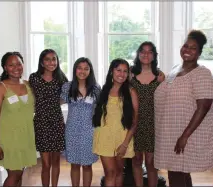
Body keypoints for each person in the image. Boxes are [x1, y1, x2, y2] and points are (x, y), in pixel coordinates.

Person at [154, 30, 213, 187]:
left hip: (186, 133)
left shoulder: (202, 74)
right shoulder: (174, 70)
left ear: (199, 52)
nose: (187, 50)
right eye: (186, 46)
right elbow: (169, 94)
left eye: (193, 48)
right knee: (178, 171)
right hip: (170, 132)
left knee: (177, 173)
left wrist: (185, 136)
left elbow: (204, 107)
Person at [0, 52, 37, 186]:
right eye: (11, 65)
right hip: (9, 139)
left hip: (26, 137)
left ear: (23, 65)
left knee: (19, 174)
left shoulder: (28, 85)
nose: (16, 67)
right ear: (5, 67)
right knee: (14, 175)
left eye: (19, 64)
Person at [92, 58, 139, 187]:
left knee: (119, 171)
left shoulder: (131, 92)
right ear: (112, 71)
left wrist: (125, 144)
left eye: (125, 71)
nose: (121, 74)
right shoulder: (104, 90)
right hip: (104, 137)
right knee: (110, 172)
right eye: (118, 70)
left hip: (122, 138)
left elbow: (135, 121)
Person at [29, 49, 68, 187]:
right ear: (42, 62)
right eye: (47, 59)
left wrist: (53, 103)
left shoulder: (61, 79)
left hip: (56, 121)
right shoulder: (34, 78)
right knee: (45, 163)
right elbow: (31, 97)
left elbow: (66, 97)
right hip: (41, 122)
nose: (51, 62)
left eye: (54, 59)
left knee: (56, 161)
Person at [129, 41, 165, 187]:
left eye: (149, 51)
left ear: (154, 55)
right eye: (142, 51)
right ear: (138, 54)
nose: (145, 54)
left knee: (151, 163)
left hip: (153, 125)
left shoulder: (160, 76)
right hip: (134, 123)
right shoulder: (130, 74)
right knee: (136, 160)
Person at [60, 57, 101, 187]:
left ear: (90, 71)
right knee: (75, 165)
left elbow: (101, 108)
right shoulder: (67, 86)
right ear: (75, 69)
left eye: (86, 68)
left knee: (87, 165)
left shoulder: (95, 88)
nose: (82, 71)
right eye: (79, 68)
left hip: (89, 131)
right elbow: (57, 103)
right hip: (72, 130)